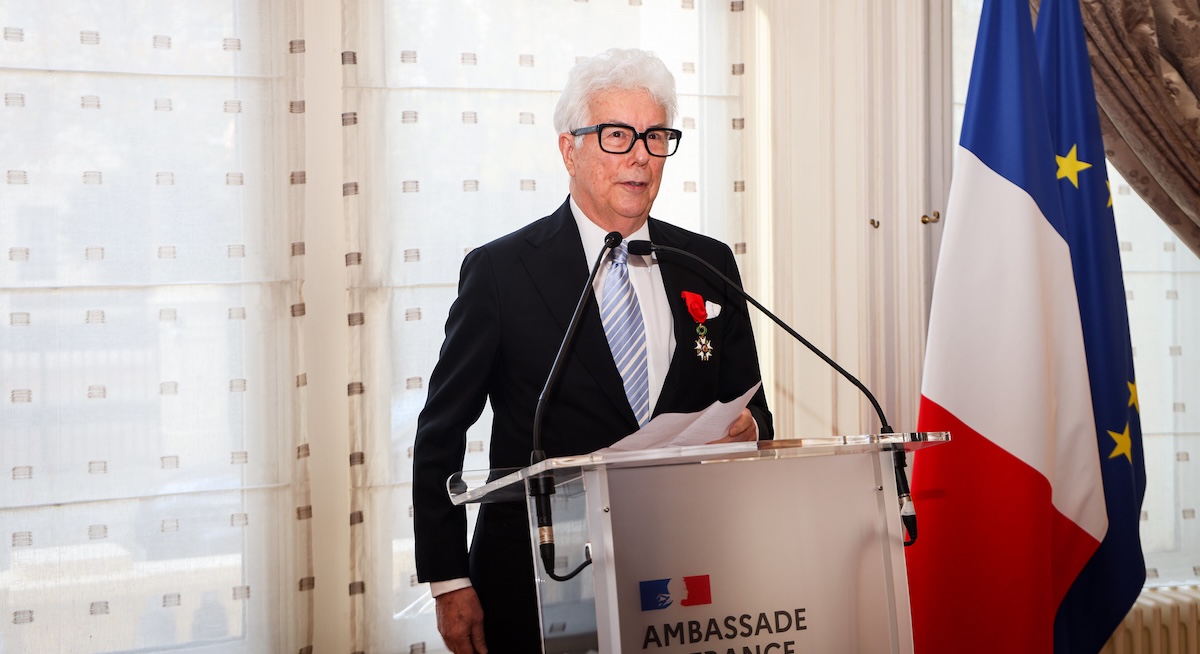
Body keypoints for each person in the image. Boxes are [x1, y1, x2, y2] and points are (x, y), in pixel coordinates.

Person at [412, 47, 773, 654]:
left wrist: (746, 428)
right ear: (568, 149)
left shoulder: (708, 263)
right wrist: (449, 581)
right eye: (616, 135)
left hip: (681, 574)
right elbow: (440, 430)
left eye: (655, 136)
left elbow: (756, 410)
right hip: (538, 577)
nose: (639, 155)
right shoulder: (501, 272)